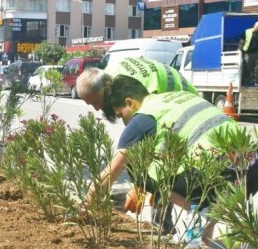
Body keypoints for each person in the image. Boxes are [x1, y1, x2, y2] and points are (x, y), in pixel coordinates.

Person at [87, 75, 258, 245]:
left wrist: (86, 206)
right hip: (251, 173)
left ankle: (197, 209)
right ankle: (203, 235)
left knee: (135, 166)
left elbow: (112, 170)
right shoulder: (178, 96)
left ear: (129, 103)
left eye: (121, 115)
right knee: (186, 163)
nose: (125, 123)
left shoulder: (143, 117)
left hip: (219, 175)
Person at [76, 58, 197, 232]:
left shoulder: (145, 95)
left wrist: (140, 187)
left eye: (95, 102)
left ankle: (165, 222)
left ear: (105, 91)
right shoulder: (111, 78)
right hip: (180, 103)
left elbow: (152, 148)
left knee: (161, 170)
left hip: (184, 105)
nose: (96, 109)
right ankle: (167, 218)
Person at [76, 57, 197, 121]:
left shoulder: (129, 88)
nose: (97, 108)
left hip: (186, 101)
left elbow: (140, 130)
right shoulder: (110, 73)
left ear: (106, 86)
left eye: (96, 102)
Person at [239, 21, 258, 87]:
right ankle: (246, 82)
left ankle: (256, 82)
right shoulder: (247, 31)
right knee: (247, 68)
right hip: (248, 52)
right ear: (254, 25)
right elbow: (241, 42)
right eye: (257, 27)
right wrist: (239, 50)